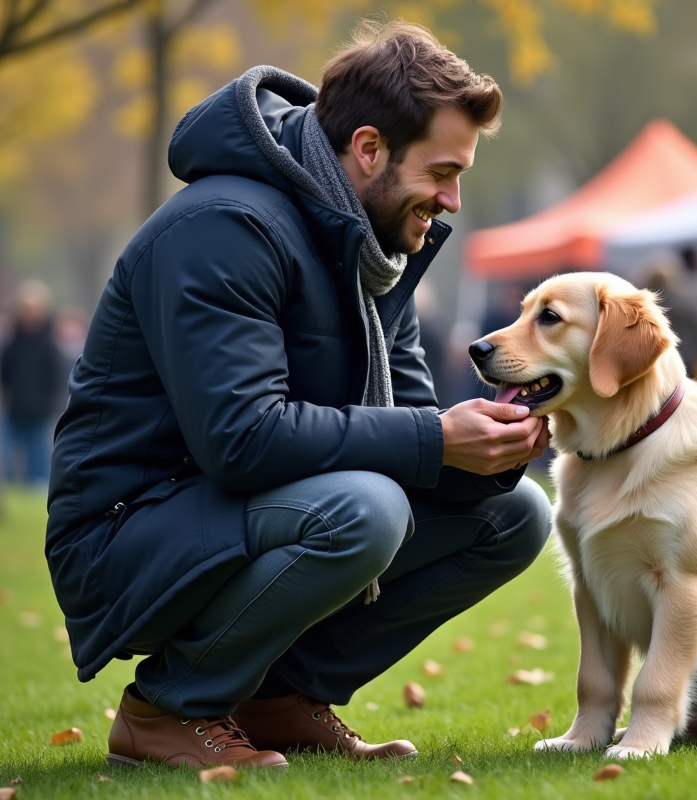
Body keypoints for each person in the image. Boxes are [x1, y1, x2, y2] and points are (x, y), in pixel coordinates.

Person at [46, 22, 551, 772]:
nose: (451, 198)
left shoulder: (374, 247)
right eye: (442, 172)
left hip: (235, 510)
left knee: (514, 515)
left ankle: (279, 700)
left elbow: (407, 427)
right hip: (124, 533)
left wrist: (493, 443)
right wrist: (435, 438)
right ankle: (165, 709)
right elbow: (242, 439)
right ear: (369, 149)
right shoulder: (223, 227)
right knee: (366, 512)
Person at [0, 281, 64, 486]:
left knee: (38, 452)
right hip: (15, 407)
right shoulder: (13, 343)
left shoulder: (49, 344)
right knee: (7, 451)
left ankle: (37, 482)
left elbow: (55, 377)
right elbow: (3, 373)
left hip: (40, 409)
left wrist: (49, 402)